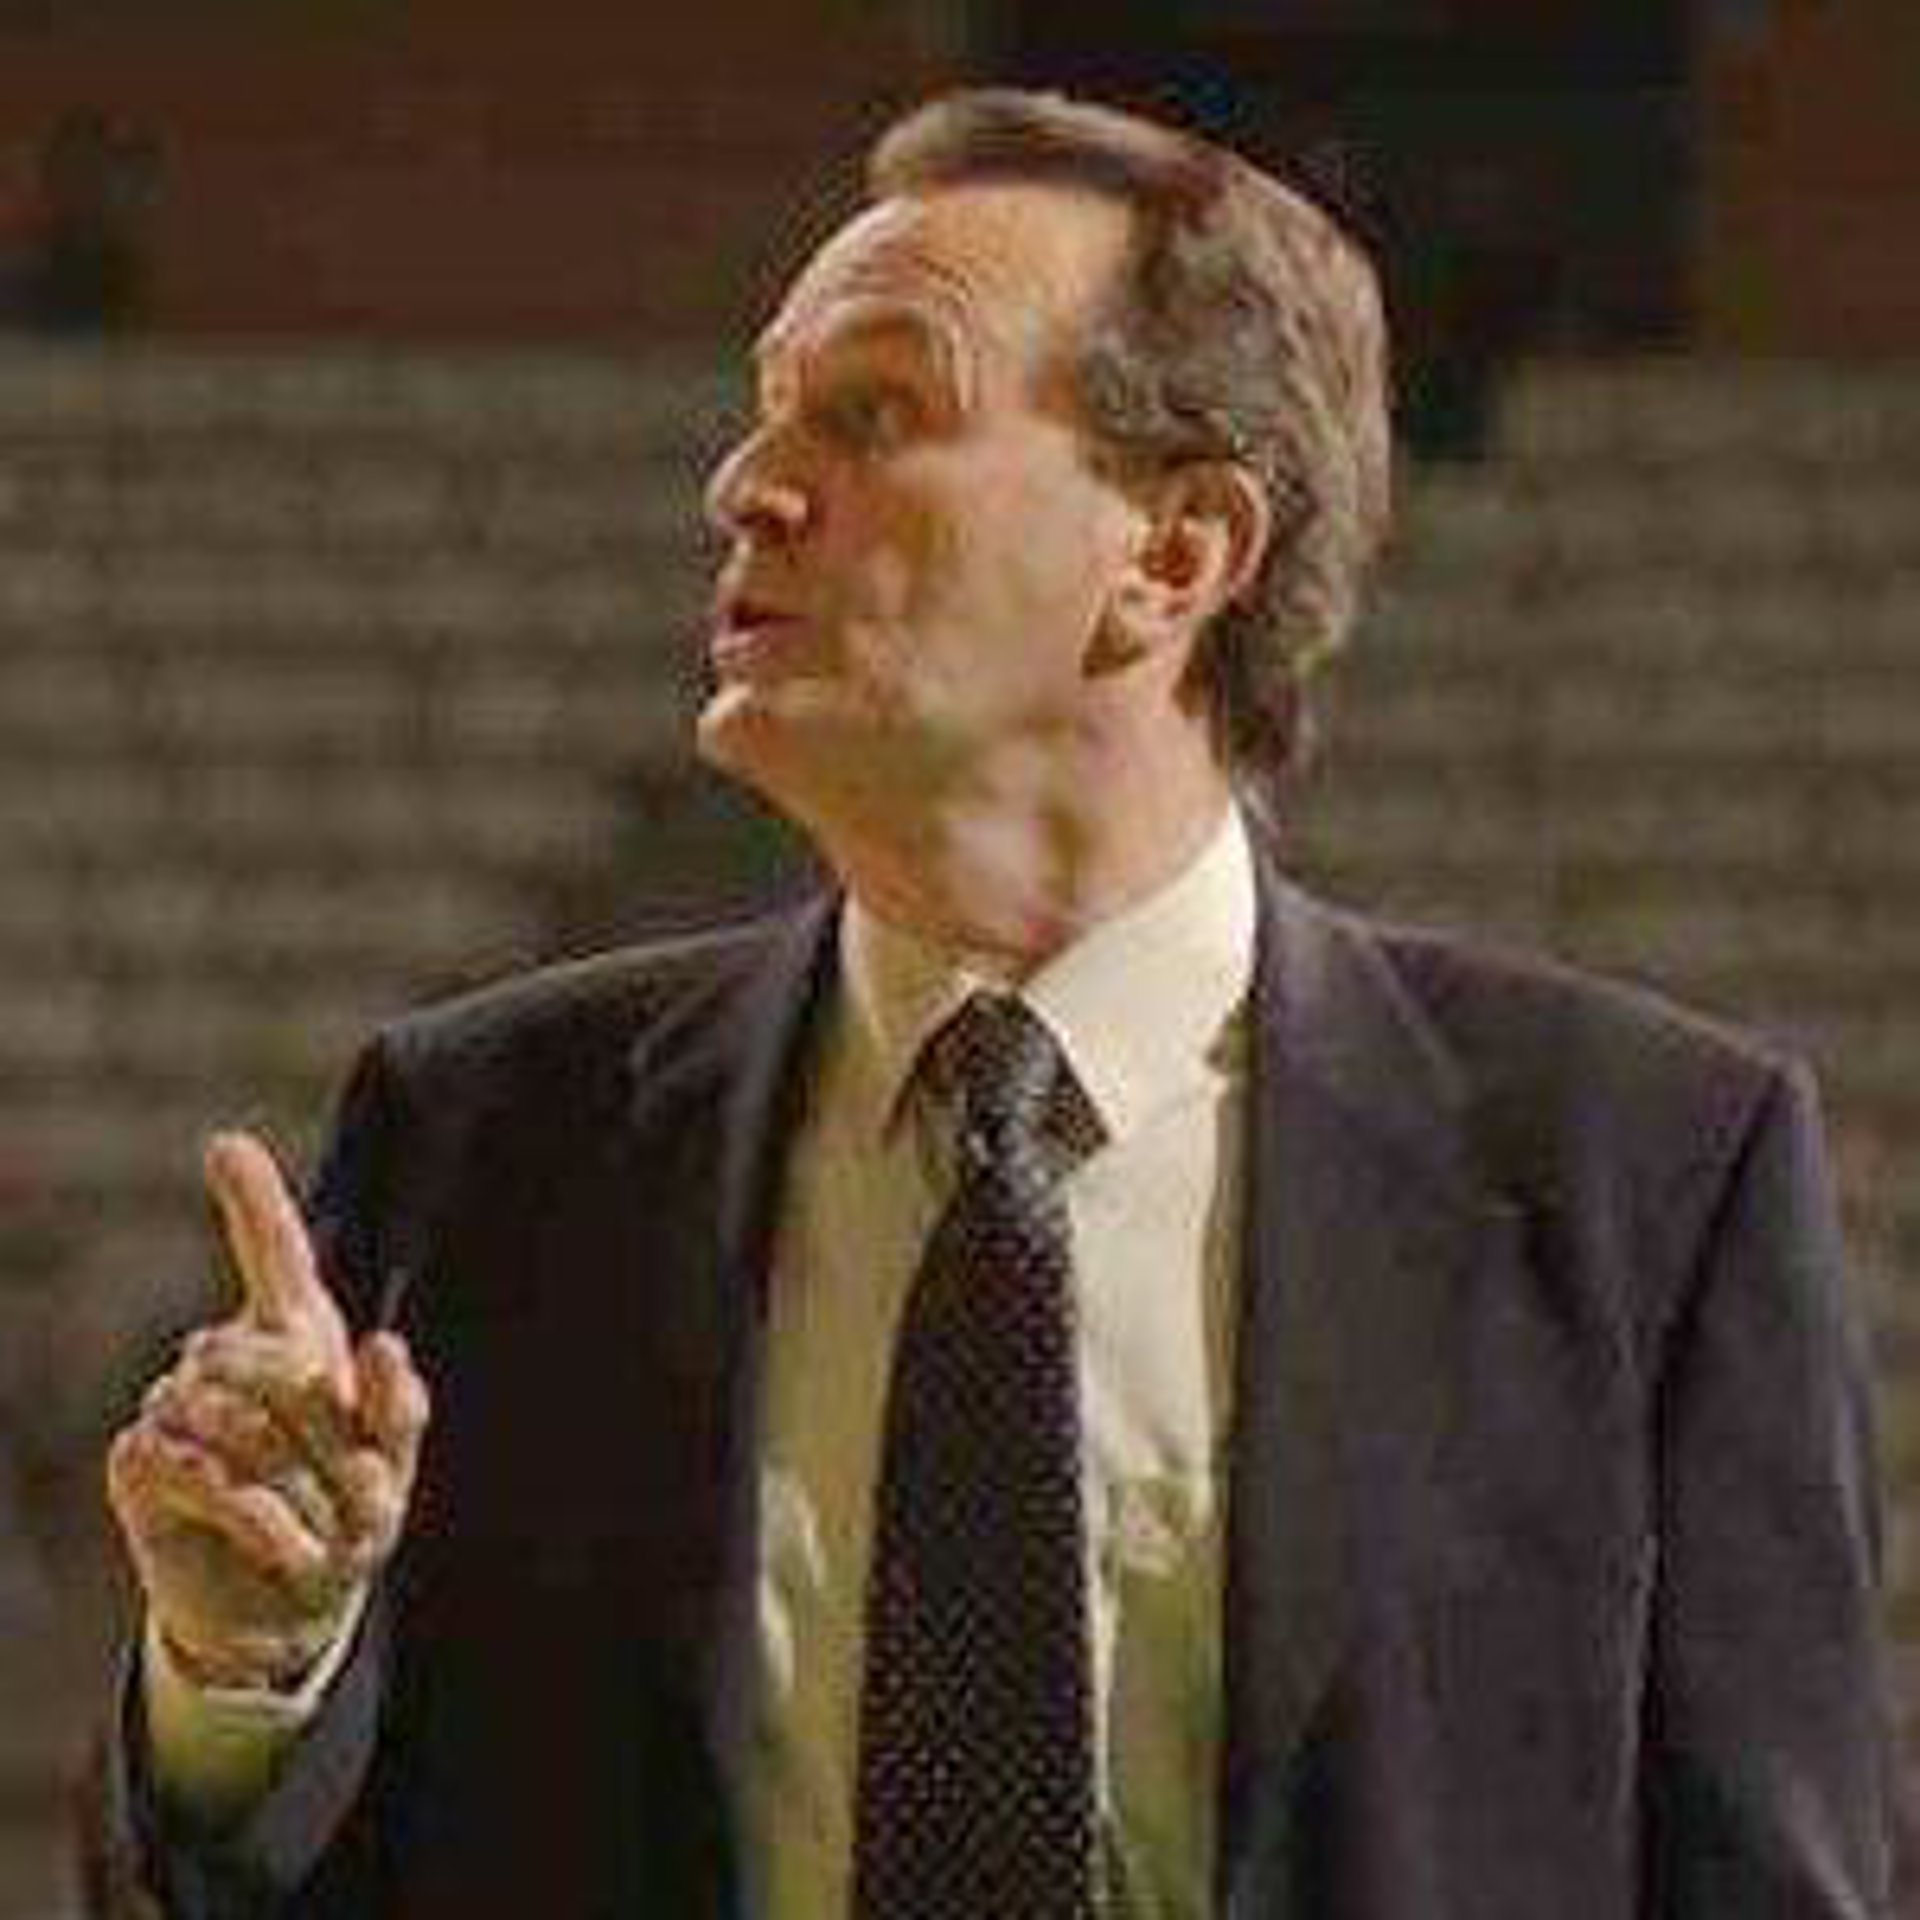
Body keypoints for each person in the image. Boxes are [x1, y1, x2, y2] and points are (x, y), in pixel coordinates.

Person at [85, 88, 1905, 1917]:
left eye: (876, 411)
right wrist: (246, 1676)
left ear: (1176, 555)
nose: (747, 484)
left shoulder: (1653, 1183)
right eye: (768, 408)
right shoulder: (490, 1139)